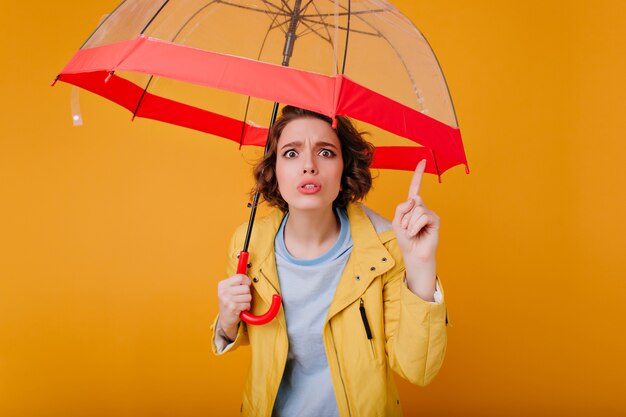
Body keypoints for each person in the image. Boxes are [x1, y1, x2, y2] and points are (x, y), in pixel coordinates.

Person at [211, 106, 447, 417]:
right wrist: (227, 320)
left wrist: (421, 265)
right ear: (274, 169)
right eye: (291, 154)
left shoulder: (386, 247)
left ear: (345, 168)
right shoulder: (248, 243)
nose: (308, 166)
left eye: (325, 152)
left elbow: (419, 369)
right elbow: (241, 330)